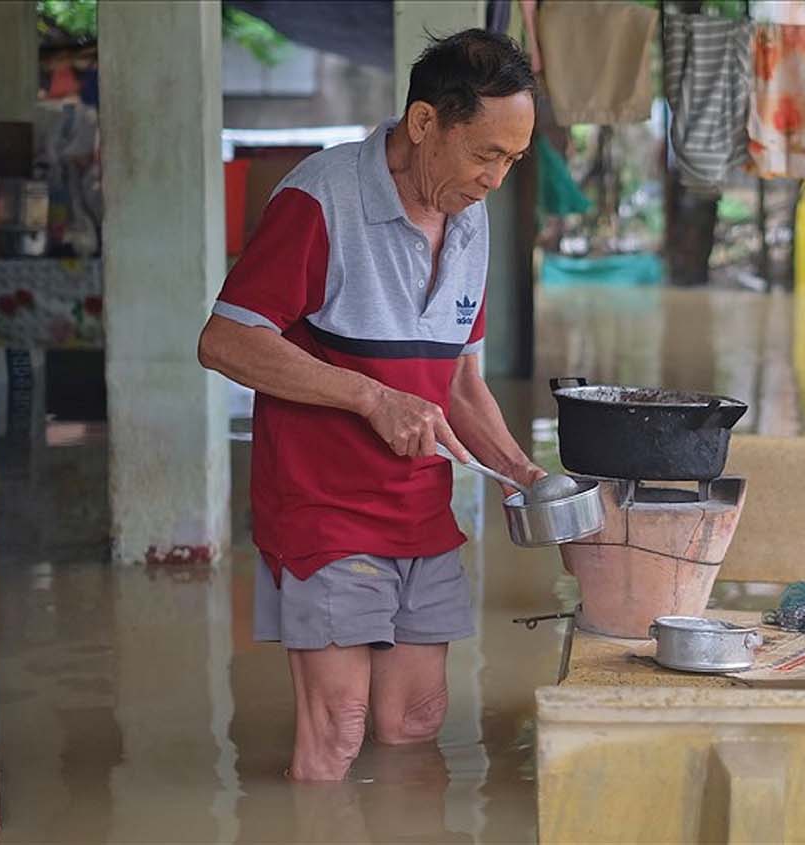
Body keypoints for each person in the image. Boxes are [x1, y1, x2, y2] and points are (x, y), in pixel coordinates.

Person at [197, 29, 541, 781]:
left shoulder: (472, 221)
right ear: (425, 123)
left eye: (512, 161)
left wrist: (527, 474)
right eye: (485, 154)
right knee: (340, 728)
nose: (496, 179)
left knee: (414, 725)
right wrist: (370, 396)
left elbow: (456, 380)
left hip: (421, 511)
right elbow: (225, 341)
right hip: (323, 510)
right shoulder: (318, 198)